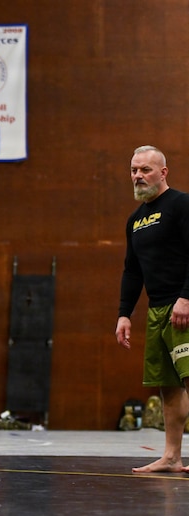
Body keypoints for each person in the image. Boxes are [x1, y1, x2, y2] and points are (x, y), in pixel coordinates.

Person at [115, 145, 189, 474]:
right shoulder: (136, 220)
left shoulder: (181, 205)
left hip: (183, 306)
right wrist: (124, 314)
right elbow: (133, 271)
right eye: (134, 170)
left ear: (163, 172)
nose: (138, 176)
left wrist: (186, 298)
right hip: (158, 311)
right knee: (169, 386)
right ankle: (172, 457)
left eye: (145, 169)